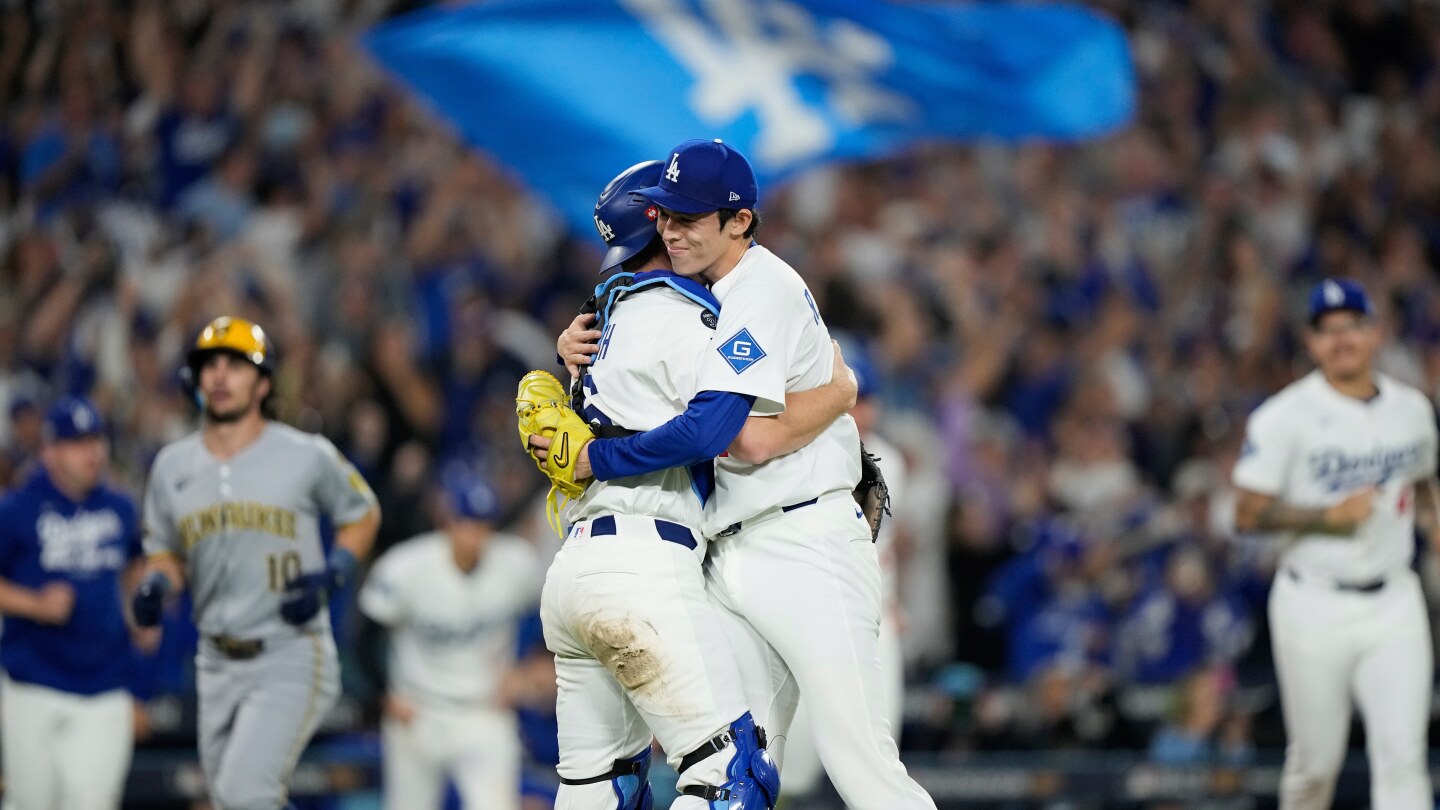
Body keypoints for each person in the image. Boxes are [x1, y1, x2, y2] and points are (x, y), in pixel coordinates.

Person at [542, 139, 936, 810]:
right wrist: (572, 347)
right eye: (666, 216)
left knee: (860, 764)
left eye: (689, 218)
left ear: (740, 221)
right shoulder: (703, 295)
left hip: (803, 540)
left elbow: (742, 439)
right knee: (736, 767)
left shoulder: (761, 286)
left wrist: (842, 394)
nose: (672, 231)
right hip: (729, 552)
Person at [130, 316, 382, 810]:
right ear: (195, 379)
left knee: (245, 792)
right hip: (215, 658)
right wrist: (156, 585)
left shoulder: (305, 454)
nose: (221, 376)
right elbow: (167, 552)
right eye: (210, 365)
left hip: (289, 650)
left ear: (263, 383)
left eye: (236, 365)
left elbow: (362, 512)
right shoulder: (172, 466)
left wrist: (335, 571)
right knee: (233, 799)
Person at [1233, 278, 1435, 810]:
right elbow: (1246, 513)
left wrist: (1434, 527)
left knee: (1403, 763)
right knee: (1314, 767)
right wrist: (1326, 516)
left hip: (1394, 601)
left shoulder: (1412, 409)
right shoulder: (1283, 416)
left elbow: (1423, 483)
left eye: (1352, 327)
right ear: (1311, 342)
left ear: (1375, 333)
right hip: (1313, 603)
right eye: (1327, 331)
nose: (1341, 340)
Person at [0, 395, 151, 810]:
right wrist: (34, 603)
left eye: (96, 440)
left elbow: (137, 564)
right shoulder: (17, 509)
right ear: (50, 451)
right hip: (34, 681)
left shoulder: (119, 506)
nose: (92, 452)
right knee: (30, 803)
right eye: (77, 442)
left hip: (105, 683)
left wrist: (142, 609)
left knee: (92, 803)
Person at [358, 472, 542, 810]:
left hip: (483, 712)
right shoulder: (406, 566)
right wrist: (381, 693)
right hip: (417, 712)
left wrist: (523, 667)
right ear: (448, 521)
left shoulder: (516, 563)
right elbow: (366, 635)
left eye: (482, 524)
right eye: (466, 523)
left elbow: (547, 618)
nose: (474, 535)